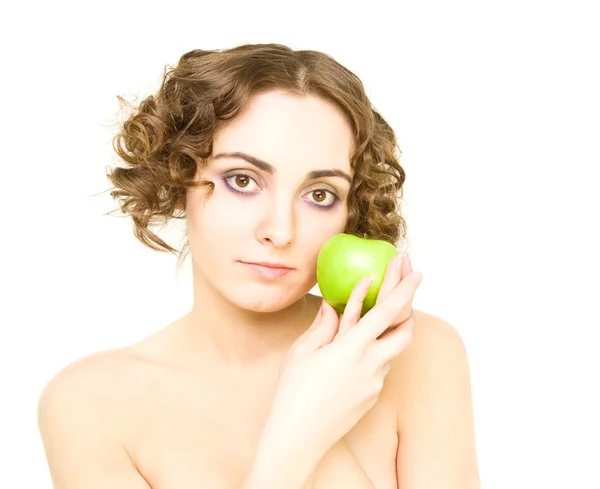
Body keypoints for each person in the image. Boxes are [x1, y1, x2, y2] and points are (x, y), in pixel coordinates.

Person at [37, 43, 480, 489]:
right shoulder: (90, 405)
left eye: (320, 194)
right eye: (243, 181)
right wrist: (300, 436)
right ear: (178, 176)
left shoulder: (416, 354)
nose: (280, 231)